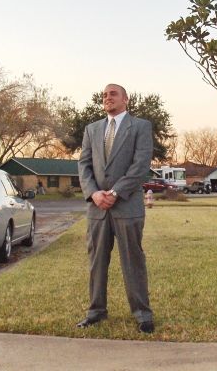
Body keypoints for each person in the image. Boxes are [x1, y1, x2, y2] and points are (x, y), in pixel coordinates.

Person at [77, 83, 155, 333]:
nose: (107, 98)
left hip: (127, 206)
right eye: (104, 95)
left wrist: (115, 192)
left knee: (133, 261)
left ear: (125, 99)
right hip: (97, 209)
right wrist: (93, 193)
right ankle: (96, 312)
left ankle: (143, 315)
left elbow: (141, 165)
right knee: (96, 262)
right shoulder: (92, 129)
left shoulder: (141, 127)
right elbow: (84, 166)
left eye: (113, 94)